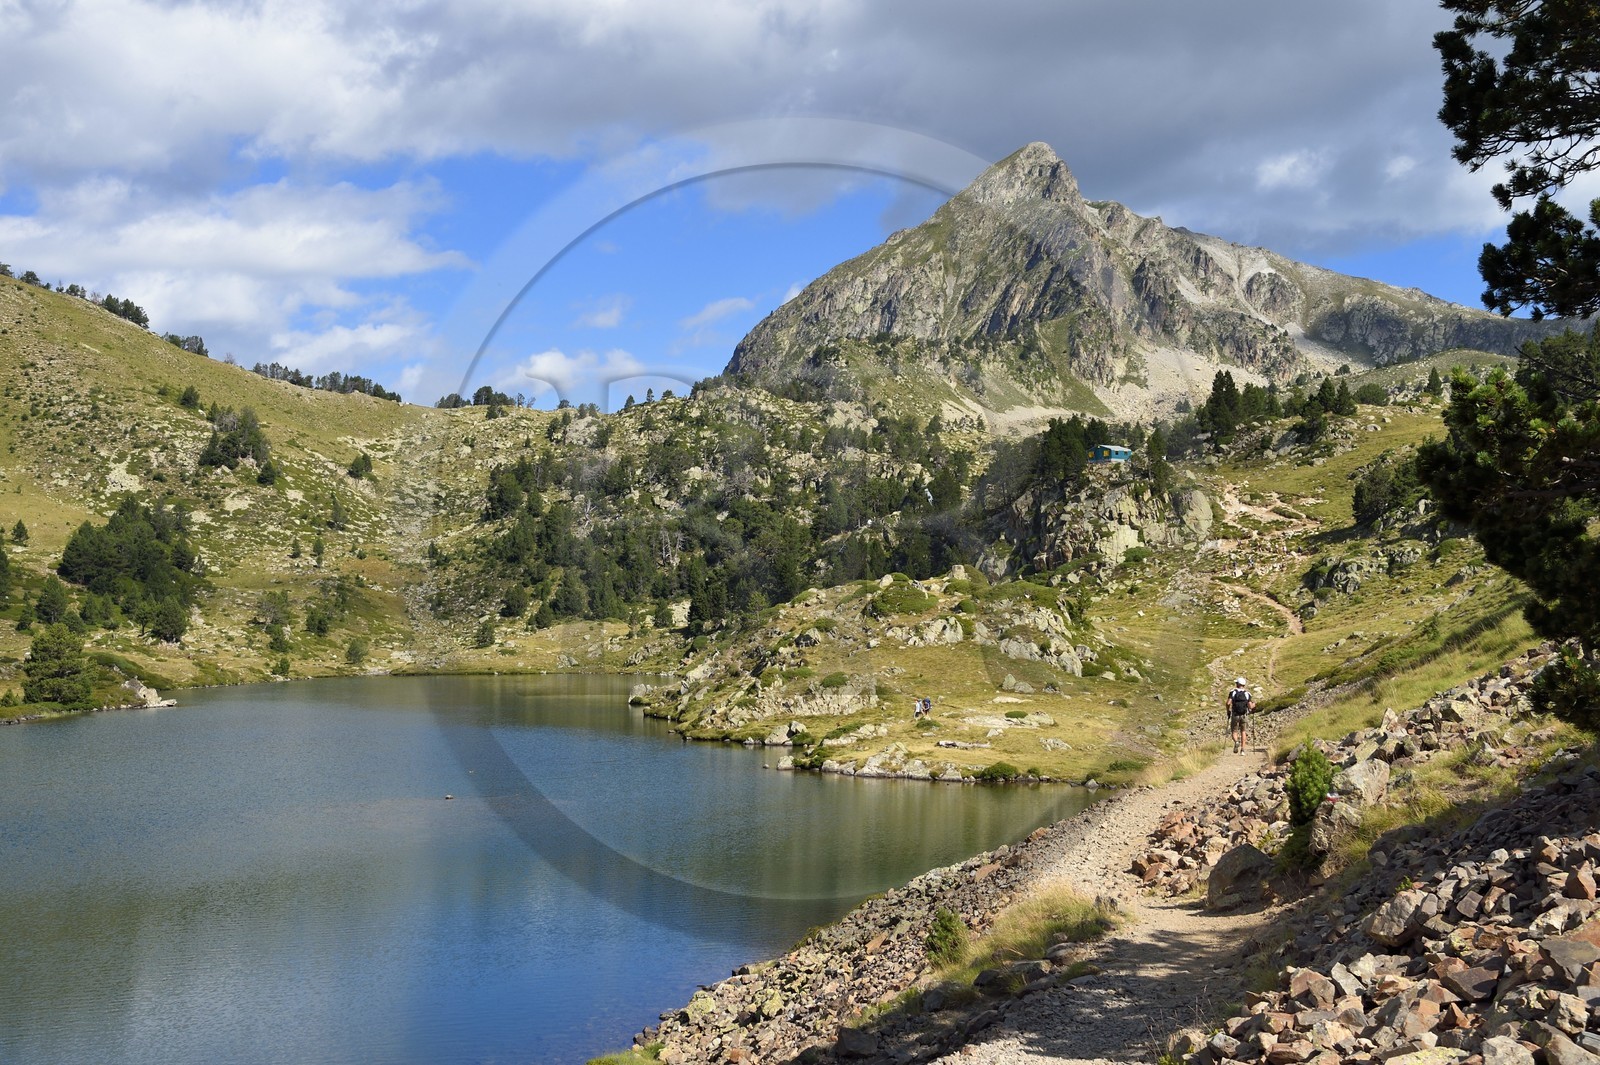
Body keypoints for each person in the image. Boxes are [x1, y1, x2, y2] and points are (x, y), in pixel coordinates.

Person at [1225, 677, 1254, 754]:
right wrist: (1254, 705)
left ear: (1237, 684)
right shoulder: (1247, 694)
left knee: (1234, 731)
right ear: (1243, 685)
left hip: (1235, 714)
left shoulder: (1233, 692)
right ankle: (1243, 750)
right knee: (1243, 731)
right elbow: (1250, 706)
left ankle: (1236, 741)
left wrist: (1228, 711)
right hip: (1244, 715)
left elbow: (1228, 703)